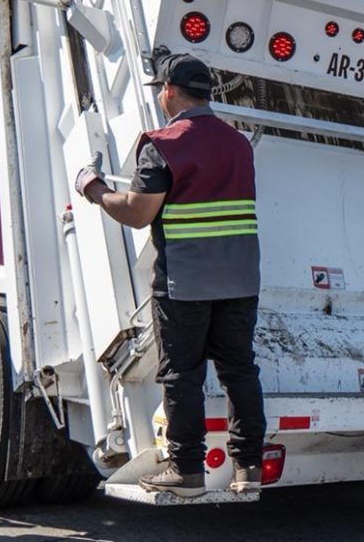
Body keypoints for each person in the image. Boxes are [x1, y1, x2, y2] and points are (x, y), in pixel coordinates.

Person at [74, 53, 266, 497]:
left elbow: (139, 214)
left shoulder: (163, 144)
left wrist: (95, 190)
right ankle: (248, 470)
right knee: (240, 372)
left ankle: (187, 472)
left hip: (186, 284)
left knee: (182, 375)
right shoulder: (240, 144)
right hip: (240, 280)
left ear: (169, 91)